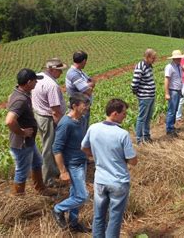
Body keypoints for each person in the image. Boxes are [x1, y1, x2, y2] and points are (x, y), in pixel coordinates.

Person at [81, 99, 138, 238]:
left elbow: (84, 147)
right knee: (114, 218)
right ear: (114, 113)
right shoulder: (122, 134)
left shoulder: (93, 128)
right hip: (118, 181)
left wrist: (96, 156)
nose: (125, 115)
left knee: (98, 216)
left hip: (100, 180)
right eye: (123, 113)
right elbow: (133, 161)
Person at [5, 68, 56, 196]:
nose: (36, 84)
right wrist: (22, 133)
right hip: (22, 142)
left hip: (29, 141)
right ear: (28, 82)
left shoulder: (20, 94)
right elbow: (10, 121)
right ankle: (19, 199)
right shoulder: (20, 100)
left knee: (37, 162)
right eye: (34, 81)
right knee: (22, 171)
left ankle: (41, 188)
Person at [52, 93, 91, 233]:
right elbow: (56, 149)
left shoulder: (82, 119)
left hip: (82, 161)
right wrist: (63, 171)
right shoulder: (65, 124)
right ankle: (58, 209)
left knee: (75, 194)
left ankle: (73, 223)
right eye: (84, 105)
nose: (87, 107)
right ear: (74, 106)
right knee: (82, 196)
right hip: (73, 164)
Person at [32, 58, 68, 186]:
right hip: (48, 118)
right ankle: (48, 179)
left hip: (39, 115)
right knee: (49, 148)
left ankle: (54, 171)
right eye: (59, 70)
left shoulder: (39, 76)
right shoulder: (52, 85)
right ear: (51, 70)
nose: (61, 73)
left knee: (47, 144)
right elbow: (55, 111)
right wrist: (60, 125)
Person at [65, 51, 95, 133]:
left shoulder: (79, 72)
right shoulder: (73, 74)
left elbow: (91, 81)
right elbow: (88, 90)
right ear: (84, 61)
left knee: (84, 129)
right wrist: (90, 85)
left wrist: (90, 84)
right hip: (79, 108)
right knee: (81, 131)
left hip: (83, 107)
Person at [131, 49, 157, 144]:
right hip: (144, 97)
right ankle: (139, 139)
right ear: (147, 57)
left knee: (148, 118)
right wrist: (139, 93)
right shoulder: (140, 66)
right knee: (141, 118)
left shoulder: (149, 66)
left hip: (150, 96)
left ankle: (146, 136)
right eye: (153, 58)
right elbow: (134, 84)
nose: (154, 60)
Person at [164, 50, 184, 137]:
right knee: (171, 111)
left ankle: (172, 126)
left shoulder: (179, 66)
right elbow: (166, 80)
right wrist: (167, 93)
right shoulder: (169, 67)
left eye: (180, 58)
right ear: (174, 58)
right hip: (173, 91)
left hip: (178, 90)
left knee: (175, 110)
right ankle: (169, 129)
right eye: (178, 58)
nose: (179, 59)